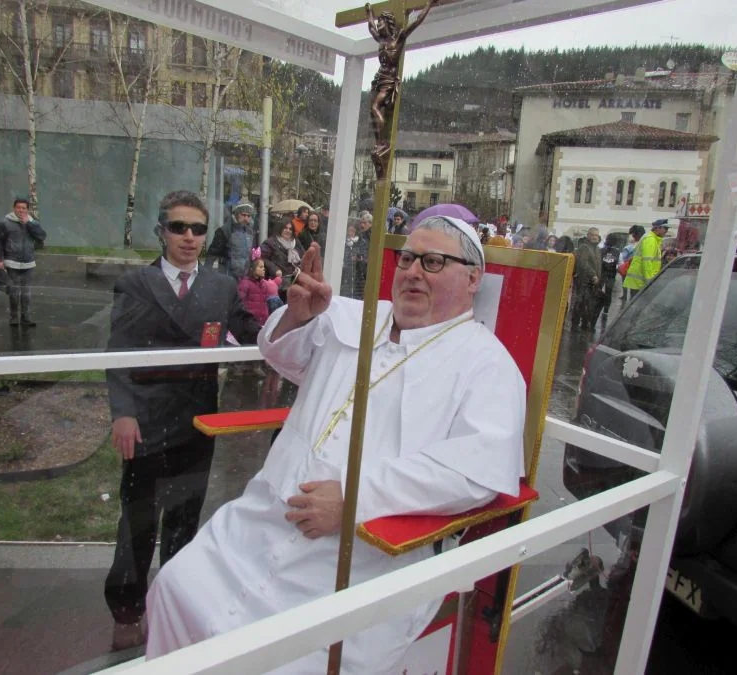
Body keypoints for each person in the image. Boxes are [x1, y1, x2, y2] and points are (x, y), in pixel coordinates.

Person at [145, 215, 526, 673]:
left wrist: (353, 498)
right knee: (173, 587)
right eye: (406, 258)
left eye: (432, 262)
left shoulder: (487, 363)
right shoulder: (355, 314)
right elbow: (285, 357)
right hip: (263, 519)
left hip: (361, 555)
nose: (411, 272)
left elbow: (475, 471)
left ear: (472, 279)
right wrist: (298, 316)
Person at [103, 190, 260, 651]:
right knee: (138, 519)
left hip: (197, 421)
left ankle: (173, 601)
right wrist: (123, 413)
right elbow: (117, 353)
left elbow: (252, 332)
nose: (189, 237)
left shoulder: (220, 287)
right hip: (146, 422)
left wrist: (296, 316)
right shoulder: (136, 284)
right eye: (179, 227)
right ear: (161, 231)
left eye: (198, 229)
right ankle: (128, 610)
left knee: (184, 518)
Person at [365, 0, 438, 177]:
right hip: (379, 78)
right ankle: (380, 142)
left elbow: (417, 21)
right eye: (379, 22)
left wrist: (428, 5)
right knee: (373, 110)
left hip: (389, 79)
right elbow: (371, 28)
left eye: (382, 22)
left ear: (388, 24)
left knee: (375, 107)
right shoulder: (381, 40)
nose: (379, 25)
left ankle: (382, 142)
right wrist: (369, 14)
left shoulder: (398, 38)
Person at [0, 197, 46, 327]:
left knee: (26, 293)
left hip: (28, 263)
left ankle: (26, 318)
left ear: (27, 210)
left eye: (24, 208)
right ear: (14, 208)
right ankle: (14, 318)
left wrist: (29, 224)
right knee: (14, 292)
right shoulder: (5, 223)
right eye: (18, 207)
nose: (21, 210)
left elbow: (42, 236)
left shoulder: (32, 222)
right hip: (12, 262)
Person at [206, 199, 258, 280]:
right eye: (243, 215)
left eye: (248, 216)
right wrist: (206, 273)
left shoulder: (250, 232)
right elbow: (212, 253)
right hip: (227, 275)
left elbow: (251, 254)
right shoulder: (225, 230)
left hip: (245, 276)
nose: (246, 218)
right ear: (237, 214)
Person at [622, 219, 668, 300]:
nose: (666, 231)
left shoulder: (652, 239)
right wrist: (649, 281)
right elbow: (647, 262)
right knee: (636, 308)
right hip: (641, 282)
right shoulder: (650, 240)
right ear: (657, 228)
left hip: (640, 281)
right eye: (665, 228)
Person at [261, 221, 306, 293]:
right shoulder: (270, 242)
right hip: (276, 283)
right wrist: (275, 269)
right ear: (280, 229)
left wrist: (299, 268)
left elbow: (304, 257)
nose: (288, 230)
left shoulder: (296, 242)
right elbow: (262, 258)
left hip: (294, 282)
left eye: (290, 229)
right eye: (285, 228)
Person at [238, 255, 282, 327]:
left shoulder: (263, 284)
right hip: (250, 323)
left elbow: (273, 287)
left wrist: (277, 280)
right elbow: (240, 302)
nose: (264, 269)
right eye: (261, 267)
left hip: (263, 322)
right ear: (252, 269)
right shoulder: (245, 283)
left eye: (264, 267)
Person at [572, 228, 602, 331]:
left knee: (589, 303)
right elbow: (583, 263)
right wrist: (593, 275)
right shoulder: (584, 247)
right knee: (580, 302)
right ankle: (575, 325)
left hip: (593, 282)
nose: (595, 237)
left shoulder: (597, 248)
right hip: (584, 281)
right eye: (593, 235)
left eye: (596, 235)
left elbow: (598, 265)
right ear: (588, 236)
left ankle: (585, 323)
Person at [597, 233, 621, 325]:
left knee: (600, 292)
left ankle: (599, 309)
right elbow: (620, 264)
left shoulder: (601, 250)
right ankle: (605, 311)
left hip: (603, 274)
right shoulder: (618, 252)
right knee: (608, 293)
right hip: (610, 275)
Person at [618, 225, 645, 303]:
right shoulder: (640, 243)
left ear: (638, 234)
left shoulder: (640, 244)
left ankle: (625, 297)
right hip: (636, 276)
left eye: (633, 235)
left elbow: (624, 256)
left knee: (634, 299)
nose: (633, 237)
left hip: (637, 277)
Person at [340, 221, 361, 298]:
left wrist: (357, 257)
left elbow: (361, 255)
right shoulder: (343, 242)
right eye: (349, 231)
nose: (350, 233)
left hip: (355, 271)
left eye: (353, 231)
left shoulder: (358, 242)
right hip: (345, 269)